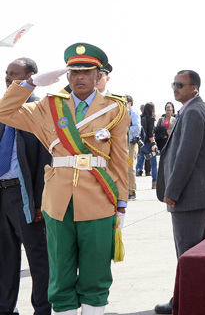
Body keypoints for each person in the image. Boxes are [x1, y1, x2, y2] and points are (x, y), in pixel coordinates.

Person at [0, 43, 129, 315]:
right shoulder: (49, 106)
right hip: (58, 201)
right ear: (67, 75)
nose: (79, 77)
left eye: (86, 72)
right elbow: (4, 112)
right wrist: (30, 84)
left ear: (98, 75)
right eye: (74, 72)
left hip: (98, 197)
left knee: (96, 272)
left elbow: (119, 158)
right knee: (60, 274)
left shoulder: (114, 108)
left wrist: (121, 202)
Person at [154, 70, 205, 315]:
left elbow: (186, 155)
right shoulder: (196, 109)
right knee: (197, 255)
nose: (175, 88)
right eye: (173, 84)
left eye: (180, 85)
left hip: (190, 196)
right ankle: (198, 299)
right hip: (200, 194)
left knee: (187, 254)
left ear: (194, 87)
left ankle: (183, 301)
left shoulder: (193, 112)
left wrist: (172, 191)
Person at [1, 58, 51, 315]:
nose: (8, 78)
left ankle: (42, 309)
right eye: (7, 73)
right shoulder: (3, 110)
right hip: (2, 193)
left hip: (25, 195)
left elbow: (45, 160)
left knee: (38, 257)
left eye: (15, 74)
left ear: (32, 77)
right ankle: (5, 308)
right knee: (5, 257)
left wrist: (40, 202)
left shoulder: (40, 110)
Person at [137, 102, 159, 188]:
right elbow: (150, 133)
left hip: (141, 144)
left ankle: (131, 182)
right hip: (149, 144)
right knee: (154, 164)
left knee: (139, 164)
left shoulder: (140, 118)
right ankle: (154, 183)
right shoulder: (151, 119)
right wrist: (153, 144)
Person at [126, 95, 140, 201]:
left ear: (130, 103)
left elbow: (137, 128)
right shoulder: (125, 113)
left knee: (130, 167)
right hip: (125, 144)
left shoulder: (133, 113)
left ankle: (132, 191)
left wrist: (126, 129)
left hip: (131, 144)